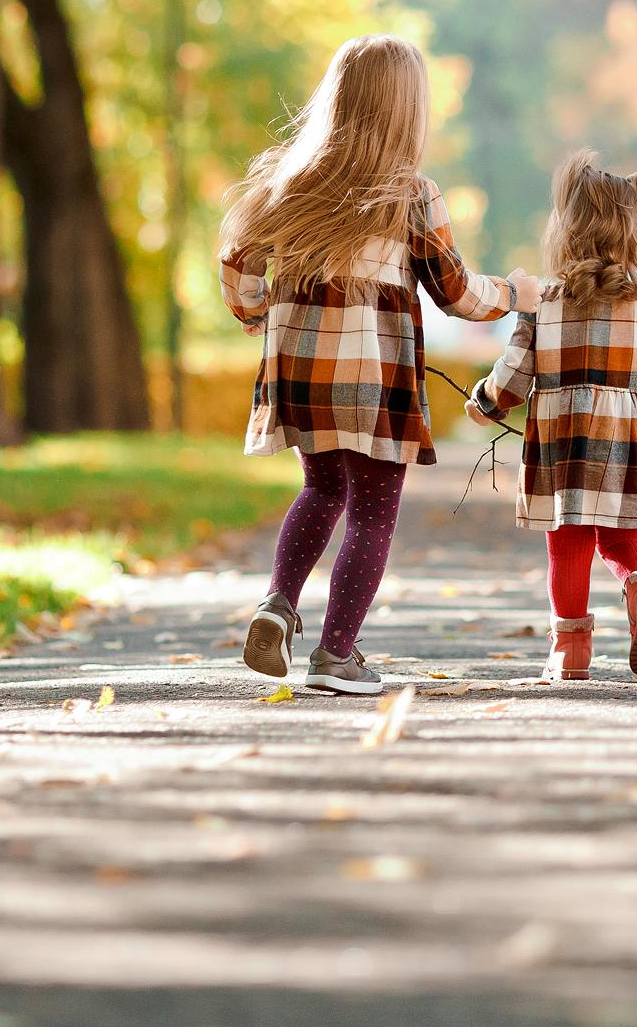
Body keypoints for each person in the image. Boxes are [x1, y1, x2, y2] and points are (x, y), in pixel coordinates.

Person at [219, 34, 537, 694]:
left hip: (299, 373)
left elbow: (238, 259)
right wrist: (514, 295)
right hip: (374, 379)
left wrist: (254, 313)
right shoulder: (411, 197)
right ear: (408, 112)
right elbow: (456, 294)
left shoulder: (291, 184)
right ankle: (336, 655)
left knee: (322, 489)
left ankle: (277, 605)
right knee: (372, 511)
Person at [467, 151, 637, 681]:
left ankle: (570, 651)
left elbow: (514, 374)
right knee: (624, 536)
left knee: (567, 542)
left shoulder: (543, 303)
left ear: (565, 229)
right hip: (628, 439)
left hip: (562, 444)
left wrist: (486, 402)